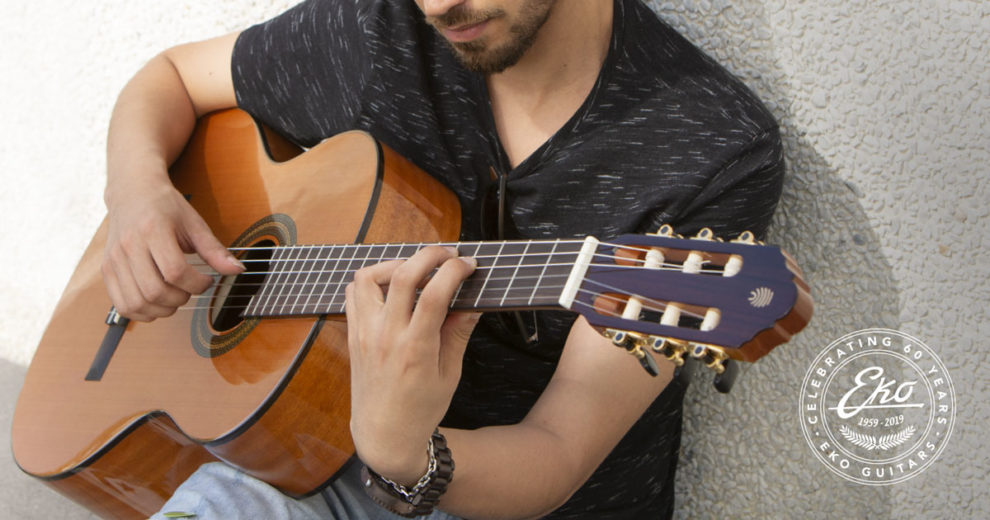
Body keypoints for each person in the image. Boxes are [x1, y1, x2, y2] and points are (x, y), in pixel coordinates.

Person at [101, 0, 784, 518]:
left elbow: (558, 450)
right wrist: (136, 195)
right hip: (306, 451)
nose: (438, 7)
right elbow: (171, 78)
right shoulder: (382, 35)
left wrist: (404, 452)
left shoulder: (710, 149)